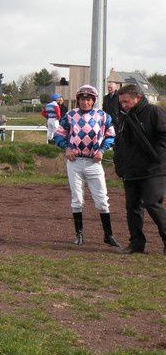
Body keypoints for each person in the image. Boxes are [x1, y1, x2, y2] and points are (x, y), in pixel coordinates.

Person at [53, 85, 119, 247]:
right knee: (77, 199)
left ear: (93, 101)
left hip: (94, 162)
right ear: (78, 100)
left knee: (102, 200)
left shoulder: (103, 116)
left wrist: (102, 150)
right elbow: (58, 135)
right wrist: (67, 148)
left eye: (88, 99)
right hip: (74, 162)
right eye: (82, 99)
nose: (85, 102)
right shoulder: (69, 116)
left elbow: (111, 136)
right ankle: (79, 234)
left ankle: (108, 235)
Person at [112, 83, 166, 255]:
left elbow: (164, 137)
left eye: (126, 102)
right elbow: (120, 144)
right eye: (121, 102)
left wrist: (156, 157)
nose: (123, 105)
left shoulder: (153, 112)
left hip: (154, 168)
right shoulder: (123, 116)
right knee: (132, 207)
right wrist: (119, 165)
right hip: (131, 170)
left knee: (152, 203)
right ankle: (136, 244)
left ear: (139, 98)